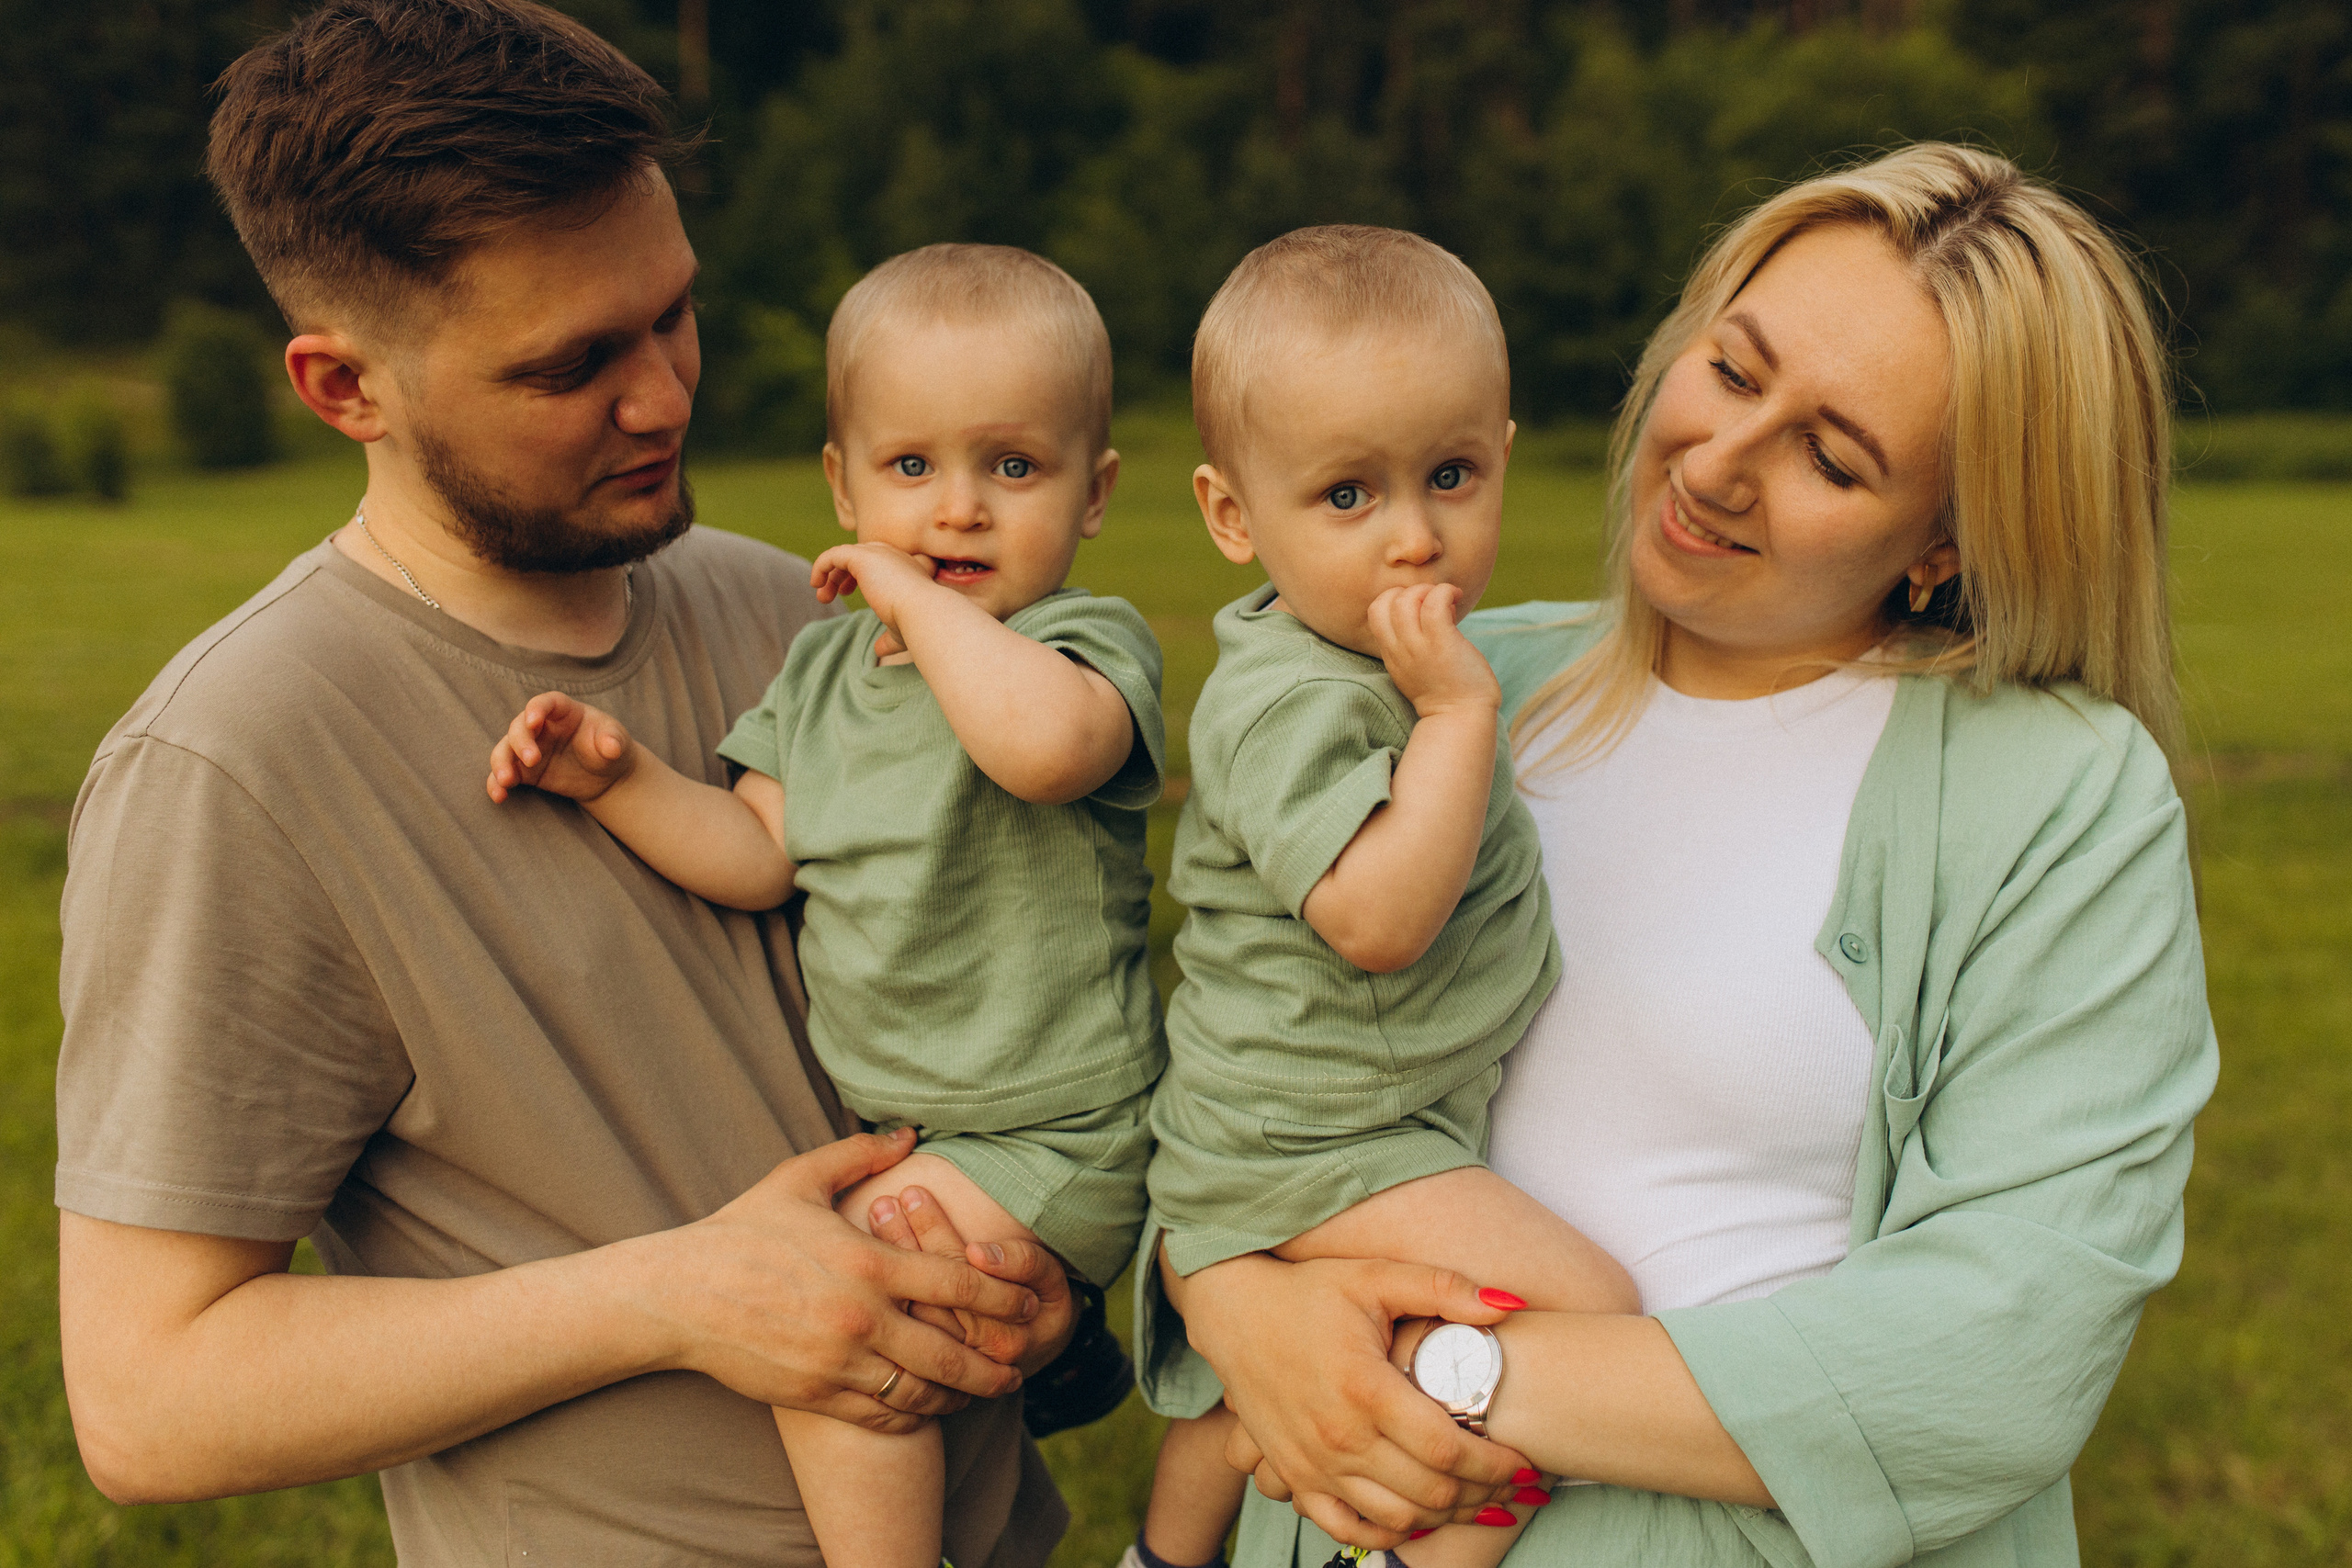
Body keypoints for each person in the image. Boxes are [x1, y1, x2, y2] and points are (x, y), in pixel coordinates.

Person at [51, 5, 1079, 1564]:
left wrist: (1040, 1281)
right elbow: (149, 1400)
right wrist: (676, 1296)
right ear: (343, 388)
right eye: (571, 365)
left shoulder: (813, 615)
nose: (663, 397)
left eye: (673, 315)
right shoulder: (234, 762)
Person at [1136, 143, 2218, 1568]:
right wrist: (1231, 1299)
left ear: (1946, 542)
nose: (1715, 464)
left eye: (1830, 457)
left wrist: (1439, 1375)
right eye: (1733, 369)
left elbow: (1999, 1357)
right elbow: (1241, 1066)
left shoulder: (2059, 796)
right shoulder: (1438, 686)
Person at [485, 242, 1164, 1568]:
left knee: (836, 1318)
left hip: (1059, 1121)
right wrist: (617, 781)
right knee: (877, 1299)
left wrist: (905, 589)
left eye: (1012, 467)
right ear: (843, 485)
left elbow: (1044, 753)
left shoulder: (1078, 645)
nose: (957, 510)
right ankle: (1047, 1386)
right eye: (911, 468)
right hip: (928, 1127)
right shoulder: (820, 678)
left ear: (1093, 493)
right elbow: (758, 855)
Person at [1130, 227, 1638, 1568]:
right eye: (1348, 495)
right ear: (1234, 517)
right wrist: (1460, 715)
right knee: (1580, 1311)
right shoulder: (1289, 703)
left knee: (1282, 1380)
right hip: (1311, 1139)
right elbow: (1377, 919)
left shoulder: (1365, 665)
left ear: (1504, 459)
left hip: (1352, 1114)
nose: (1416, 537)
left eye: (1451, 476)